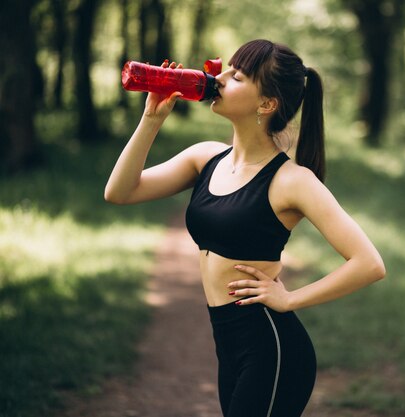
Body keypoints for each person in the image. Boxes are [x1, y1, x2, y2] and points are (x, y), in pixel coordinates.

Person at [104, 39, 385, 417]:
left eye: (236, 76)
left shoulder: (292, 181)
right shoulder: (205, 158)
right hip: (229, 345)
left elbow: (369, 263)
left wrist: (290, 299)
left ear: (266, 104)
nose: (218, 78)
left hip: (270, 348)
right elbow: (120, 192)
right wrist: (151, 120)